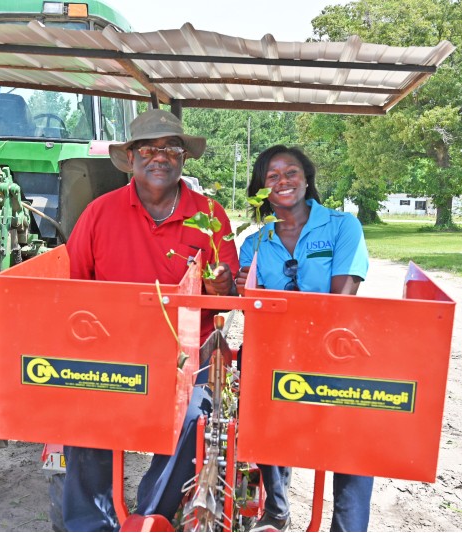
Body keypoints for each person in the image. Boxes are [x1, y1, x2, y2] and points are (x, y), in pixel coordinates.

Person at [64, 109, 239, 531]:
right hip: (113, 351)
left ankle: (148, 516)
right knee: (80, 409)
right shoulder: (98, 214)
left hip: (188, 353)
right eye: (148, 148)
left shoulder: (210, 216)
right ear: (131, 157)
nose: (159, 157)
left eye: (170, 148)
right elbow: (75, 291)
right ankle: (90, 522)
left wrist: (221, 289)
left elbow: (229, 300)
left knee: (199, 413)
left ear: (183, 158)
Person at [235, 145, 372, 532]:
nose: (283, 182)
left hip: (335, 349)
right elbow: (253, 307)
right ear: (261, 190)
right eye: (272, 176)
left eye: (291, 172)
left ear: (307, 178)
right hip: (275, 350)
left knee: (354, 432)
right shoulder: (255, 243)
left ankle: (348, 526)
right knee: (254, 389)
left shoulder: (343, 226)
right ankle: (276, 508)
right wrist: (248, 290)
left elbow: (342, 298)